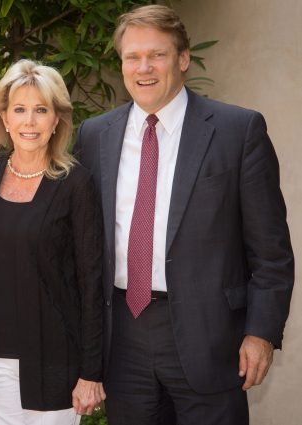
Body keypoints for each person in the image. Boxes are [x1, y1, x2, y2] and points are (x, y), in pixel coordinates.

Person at [74, 5, 294, 425]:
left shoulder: (237, 130)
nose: (144, 68)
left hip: (211, 338)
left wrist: (261, 331)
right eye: (132, 57)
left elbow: (271, 252)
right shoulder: (94, 134)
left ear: (183, 58)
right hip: (123, 338)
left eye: (156, 54)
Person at [0, 59, 106, 425]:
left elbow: (91, 282)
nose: (29, 122)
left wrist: (91, 372)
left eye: (40, 110)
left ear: (56, 119)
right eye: (20, 110)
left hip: (55, 362)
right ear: (4, 118)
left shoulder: (76, 183)